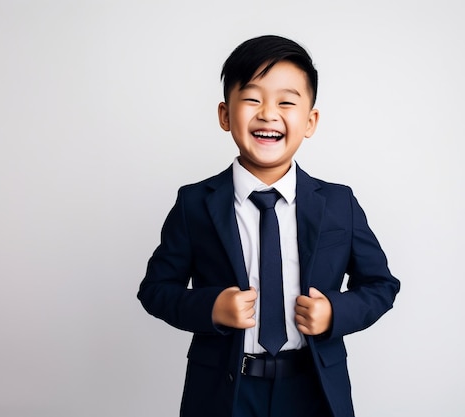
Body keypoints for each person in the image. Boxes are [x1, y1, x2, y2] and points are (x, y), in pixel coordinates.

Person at [137, 35, 400, 417]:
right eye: (252, 98)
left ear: (309, 121)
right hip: (225, 393)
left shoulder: (338, 203)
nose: (268, 113)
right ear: (226, 115)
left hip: (312, 388)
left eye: (286, 102)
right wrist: (211, 307)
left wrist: (334, 314)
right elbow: (156, 290)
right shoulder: (195, 203)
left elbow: (381, 286)